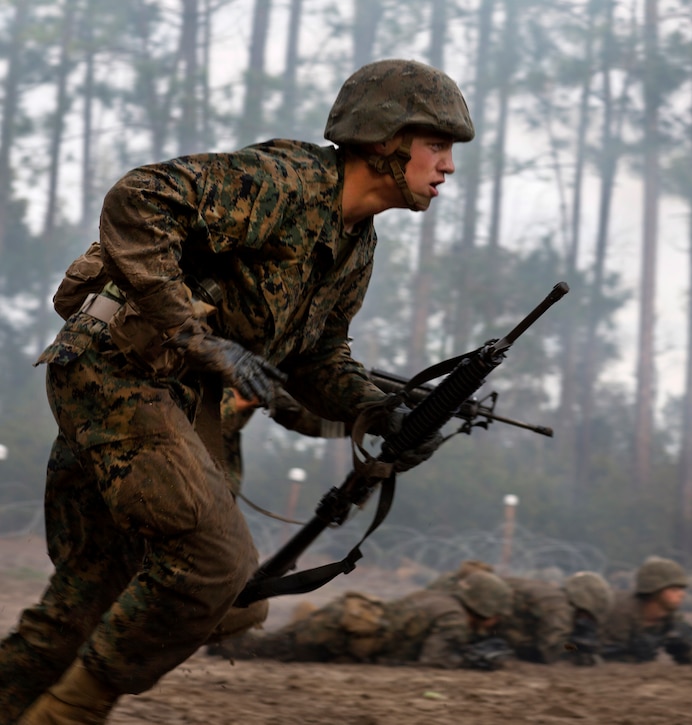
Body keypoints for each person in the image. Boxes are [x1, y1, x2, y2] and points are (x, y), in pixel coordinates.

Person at [0, 58, 473, 723]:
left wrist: (386, 409)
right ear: (384, 138)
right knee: (216, 561)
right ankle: (69, 712)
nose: (449, 166)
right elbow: (138, 198)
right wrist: (202, 338)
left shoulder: (356, 247)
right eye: (439, 145)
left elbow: (318, 363)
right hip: (113, 370)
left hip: (161, 397)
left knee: (87, 600)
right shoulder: (284, 181)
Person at [208, 570, 513, 669]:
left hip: (346, 619)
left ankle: (222, 635)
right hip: (343, 635)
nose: (495, 621)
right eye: (494, 615)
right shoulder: (454, 618)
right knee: (266, 651)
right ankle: (217, 638)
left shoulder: (440, 600)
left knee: (276, 644)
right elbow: (433, 662)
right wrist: (471, 662)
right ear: (484, 607)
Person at [428, 561, 614, 665]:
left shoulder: (553, 600)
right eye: (587, 616)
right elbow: (554, 650)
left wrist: (577, 648)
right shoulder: (558, 607)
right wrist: (577, 650)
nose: (585, 622)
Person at [599, 557, 692, 665]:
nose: (682, 594)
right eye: (674, 589)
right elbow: (607, 655)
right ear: (654, 591)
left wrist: (686, 647)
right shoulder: (622, 611)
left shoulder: (671, 617)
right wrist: (637, 655)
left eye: (682, 589)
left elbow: (691, 659)